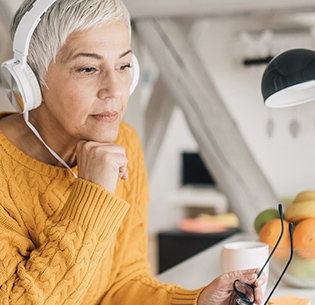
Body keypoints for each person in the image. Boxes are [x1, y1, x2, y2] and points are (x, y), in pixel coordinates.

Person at [0, 0, 266, 304]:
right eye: (88, 68)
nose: (114, 89)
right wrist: (94, 194)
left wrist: (199, 301)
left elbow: (124, 282)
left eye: (124, 66)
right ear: (30, 81)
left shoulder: (124, 143)